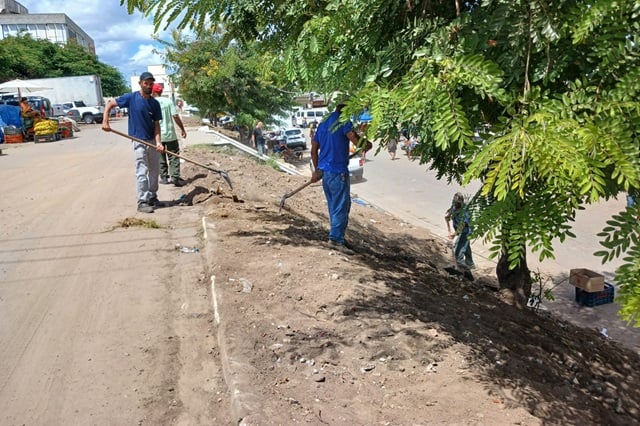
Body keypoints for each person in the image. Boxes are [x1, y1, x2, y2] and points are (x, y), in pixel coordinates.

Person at [101, 71, 164, 214]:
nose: (148, 85)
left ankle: (152, 197)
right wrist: (105, 121)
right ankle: (142, 201)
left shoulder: (154, 104)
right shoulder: (131, 98)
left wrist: (158, 142)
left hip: (152, 141)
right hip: (138, 140)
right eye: (146, 83)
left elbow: (156, 125)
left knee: (155, 171)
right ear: (140, 83)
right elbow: (110, 104)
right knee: (142, 171)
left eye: (150, 83)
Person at [311, 100, 360, 253]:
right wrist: (366, 143)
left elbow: (313, 150)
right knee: (341, 206)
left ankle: (338, 236)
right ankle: (335, 240)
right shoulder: (344, 121)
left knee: (335, 206)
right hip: (338, 172)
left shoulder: (324, 122)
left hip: (326, 173)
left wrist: (317, 169)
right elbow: (354, 139)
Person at [151, 84, 187, 187]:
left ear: (153, 92)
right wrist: (182, 129)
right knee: (174, 155)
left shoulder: (151, 102)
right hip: (170, 134)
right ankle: (175, 177)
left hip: (157, 135)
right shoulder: (168, 101)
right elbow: (175, 116)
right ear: (161, 91)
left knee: (160, 156)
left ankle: (164, 177)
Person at [445, 192, 475, 269]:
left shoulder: (465, 210)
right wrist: (449, 231)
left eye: (458, 203)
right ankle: (470, 263)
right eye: (455, 202)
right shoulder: (453, 206)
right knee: (465, 245)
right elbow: (447, 218)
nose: (456, 204)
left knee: (459, 246)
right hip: (458, 229)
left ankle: (460, 263)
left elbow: (463, 224)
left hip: (466, 230)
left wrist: (454, 234)